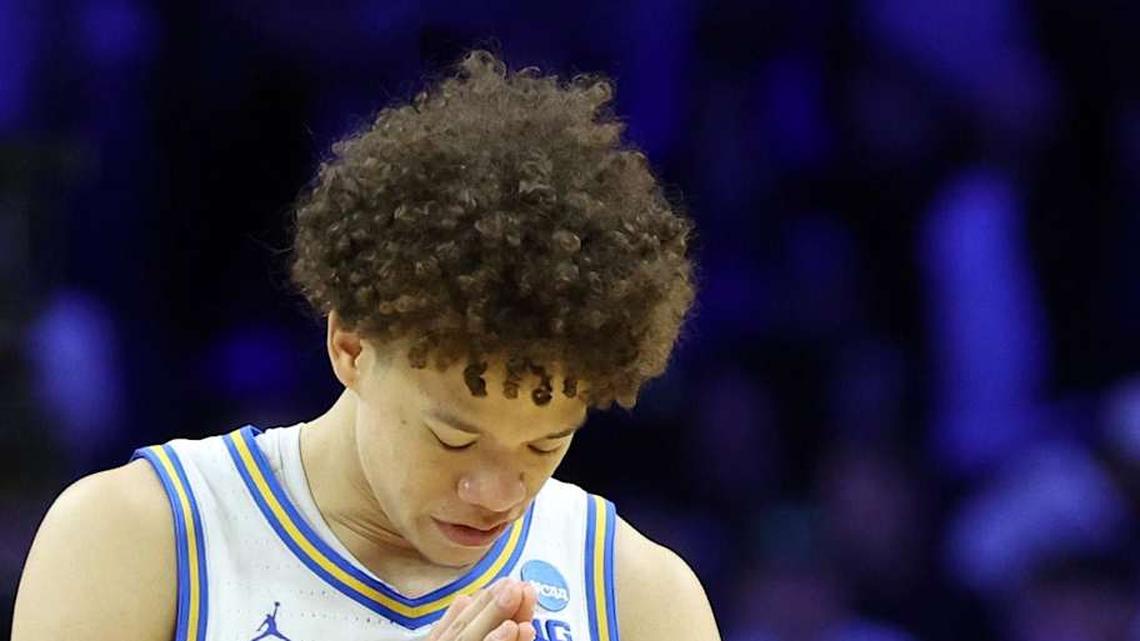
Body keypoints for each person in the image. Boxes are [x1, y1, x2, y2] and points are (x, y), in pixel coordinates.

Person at [11, 50, 720, 641]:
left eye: (543, 446)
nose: (498, 493)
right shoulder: (139, 537)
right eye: (452, 439)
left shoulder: (640, 599)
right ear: (350, 344)